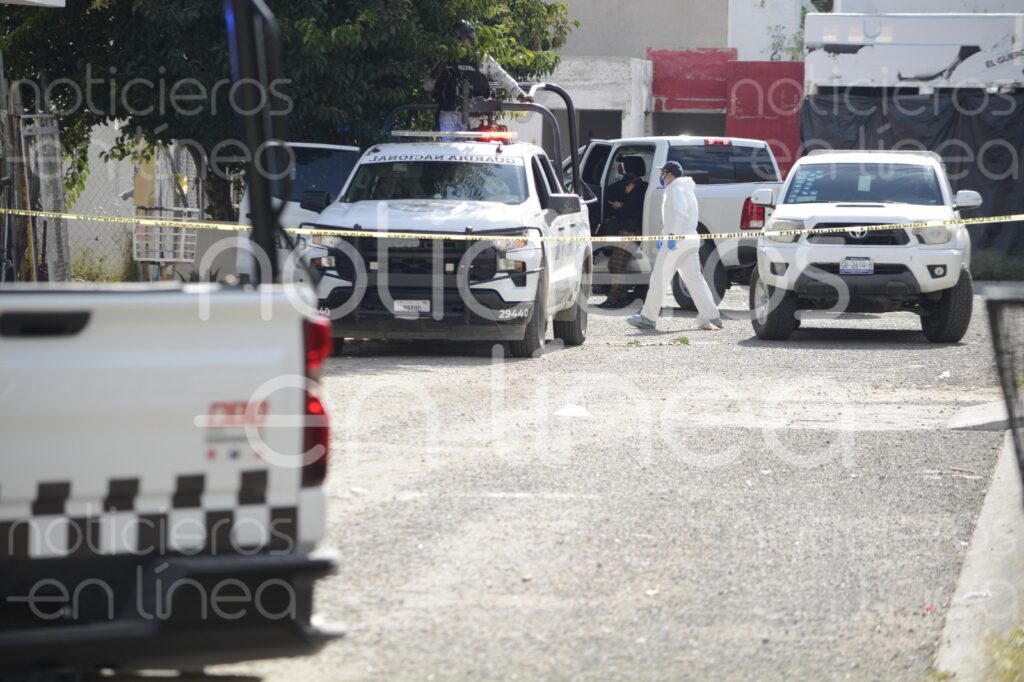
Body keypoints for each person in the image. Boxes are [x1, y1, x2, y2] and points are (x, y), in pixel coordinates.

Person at [627, 161, 723, 331]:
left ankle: (648, 317)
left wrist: (671, 236)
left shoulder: (675, 189)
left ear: (670, 175)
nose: (662, 177)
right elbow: (679, 216)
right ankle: (712, 316)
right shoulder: (685, 189)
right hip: (688, 240)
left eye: (664, 174)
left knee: (659, 278)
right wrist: (667, 234)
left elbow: (679, 214)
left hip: (676, 242)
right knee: (695, 280)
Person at [425, 20, 533, 134]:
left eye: (462, 38)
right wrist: (436, 72)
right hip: (448, 116)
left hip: (475, 118)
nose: (459, 42)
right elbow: (427, 87)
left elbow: (502, 76)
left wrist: (520, 94)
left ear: (470, 39)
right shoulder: (444, 59)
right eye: (455, 39)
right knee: (448, 151)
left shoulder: (482, 59)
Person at [599, 172, 648, 308]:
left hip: (631, 232)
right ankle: (622, 297)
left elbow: (628, 213)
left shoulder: (636, 194)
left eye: (625, 187)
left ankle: (614, 299)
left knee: (617, 265)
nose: (624, 190)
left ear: (630, 184)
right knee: (614, 265)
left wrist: (618, 208)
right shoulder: (641, 191)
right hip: (628, 231)